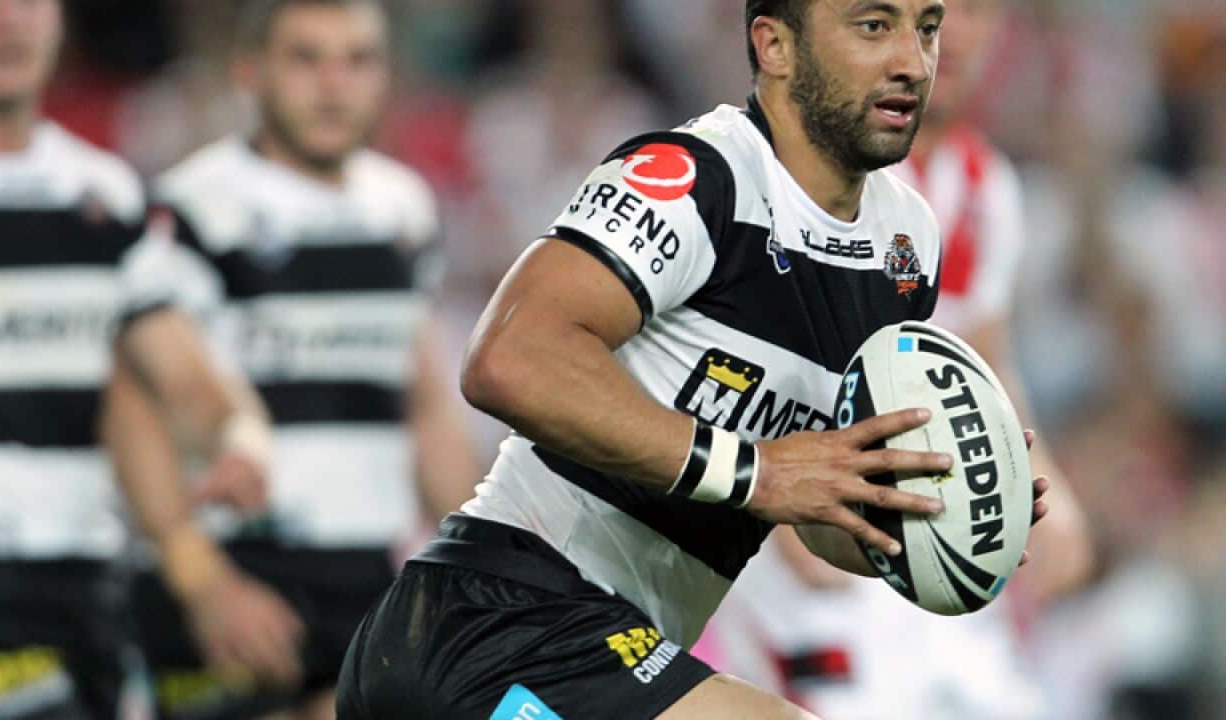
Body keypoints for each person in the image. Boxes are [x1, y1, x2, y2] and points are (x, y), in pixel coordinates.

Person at [336, 1, 1050, 718]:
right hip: (495, 620)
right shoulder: (695, 178)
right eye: (873, 25)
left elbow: (818, 510)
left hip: (611, 644)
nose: (911, 62)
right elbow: (508, 358)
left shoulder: (906, 242)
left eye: (926, 28)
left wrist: (936, 516)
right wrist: (756, 471)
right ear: (775, 45)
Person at [699, 1, 1095, 717]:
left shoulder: (985, 188)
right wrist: (780, 510)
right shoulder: (815, 164)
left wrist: (1048, 491)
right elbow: (734, 350)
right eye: (932, 17)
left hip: (927, 531)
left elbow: (984, 359)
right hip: (808, 540)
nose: (955, 38)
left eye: (971, 13)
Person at [106, 1, 480, 718]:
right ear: (251, 71)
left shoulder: (403, 209)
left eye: (357, 60)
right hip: (238, 569)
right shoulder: (193, 207)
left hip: (369, 575)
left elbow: (421, 401)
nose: (334, 85)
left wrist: (481, 556)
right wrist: (202, 579)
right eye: (307, 58)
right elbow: (134, 402)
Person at [0, 1, 269, 718]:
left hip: (84, 585)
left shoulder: (106, 195)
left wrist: (239, 438)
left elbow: (179, 377)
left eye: (31, 1)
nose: (11, 22)